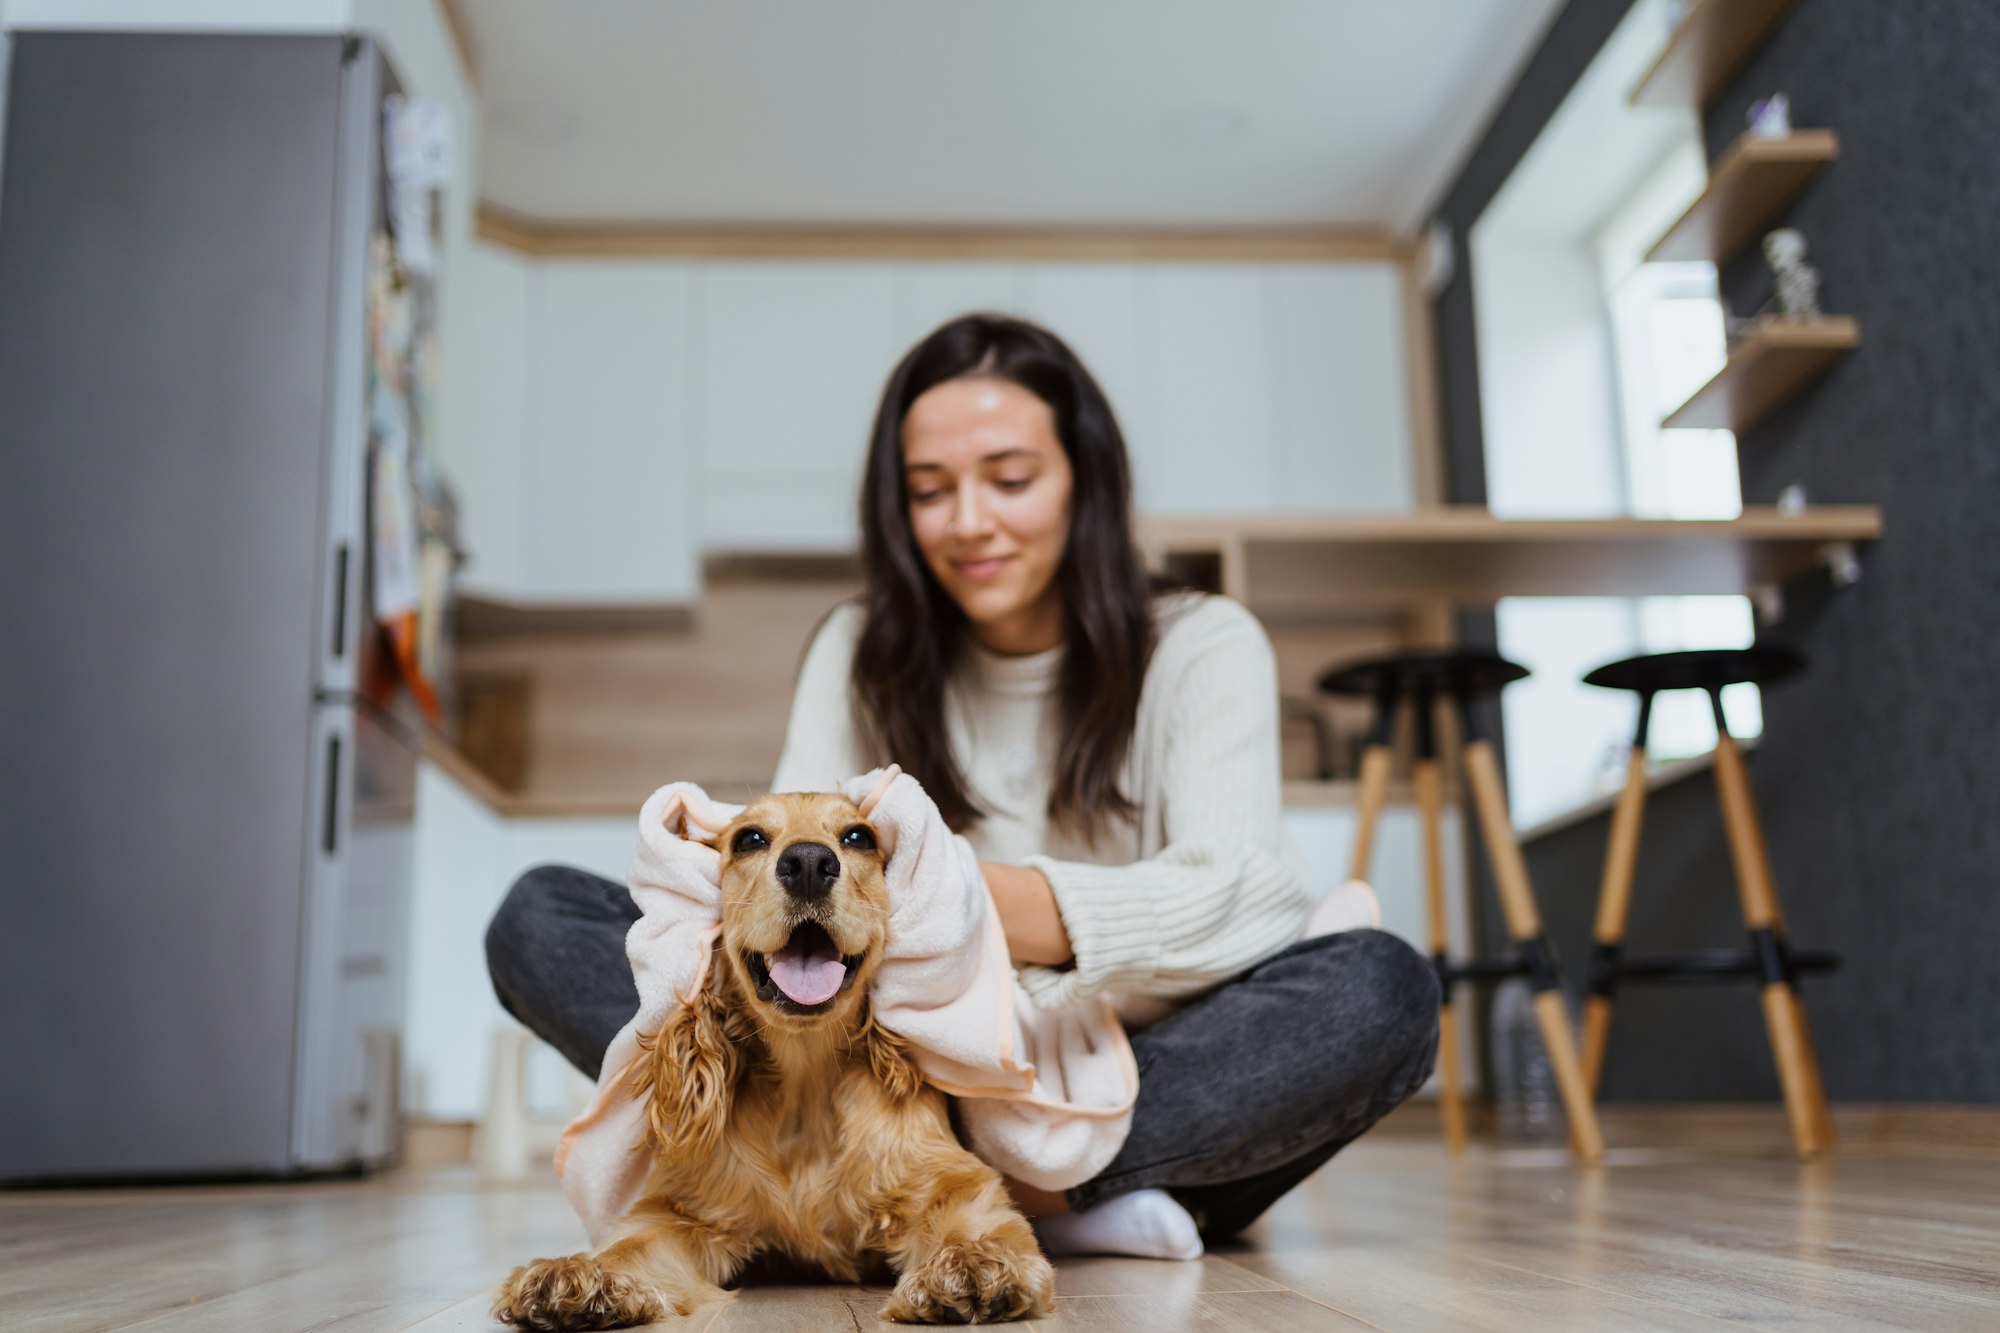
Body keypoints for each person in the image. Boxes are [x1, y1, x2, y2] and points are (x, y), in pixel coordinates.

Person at [485, 313, 1439, 1261]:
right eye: (930, 490)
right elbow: (783, 904)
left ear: (1085, 481)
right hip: (882, 1086)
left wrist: (960, 899)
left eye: (1012, 480)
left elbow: (1250, 893)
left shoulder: (1203, 643)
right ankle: (1064, 1207)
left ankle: (1000, 1200)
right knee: (541, 917)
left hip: (1123, 1064)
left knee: (1381, 990)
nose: (969, 520)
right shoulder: (857, 650)